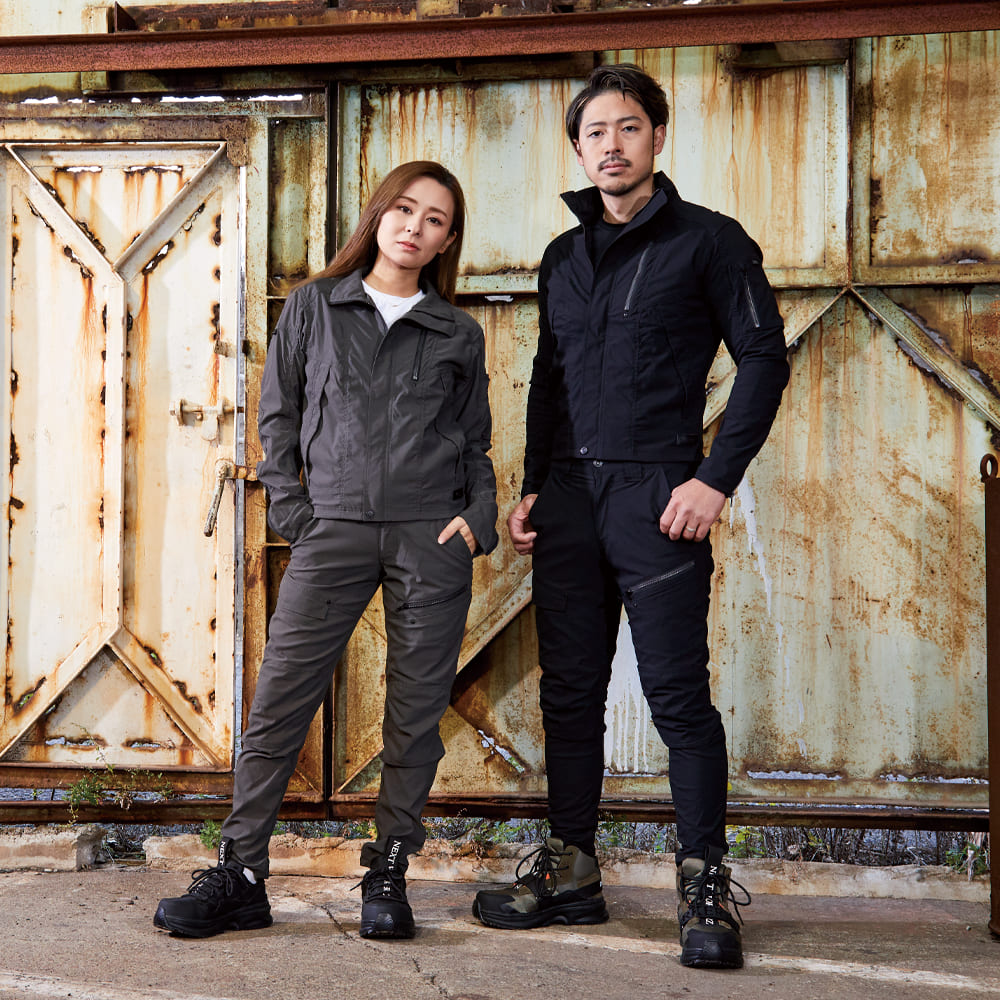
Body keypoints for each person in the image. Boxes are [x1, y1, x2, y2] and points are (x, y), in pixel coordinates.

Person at [472, 64, 788, 970]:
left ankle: (703, 883)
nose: (611, 145)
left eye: (628, 128)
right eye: (595, 132)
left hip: (658, 495)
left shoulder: (711, 241)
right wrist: (533, 486)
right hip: (570, 500)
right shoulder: (562, 257)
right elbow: (549, 379)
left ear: (657, 137)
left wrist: (713, 480)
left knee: (677, 697)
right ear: (579, 150)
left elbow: (764, 359)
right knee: (569, 693)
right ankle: (572, 869)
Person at [155, 161, 498, 941]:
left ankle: (388, 873)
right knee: (280, 703)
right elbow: (276, 419)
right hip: (332, 529)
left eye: (435, 219)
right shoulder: (317, 305)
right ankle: (241, 873)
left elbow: (475, 442)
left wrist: (478, 517)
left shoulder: (457, 332)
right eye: (404, 209)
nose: (415, 227)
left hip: (430, 538)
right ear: (378, 215)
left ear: (447, 241)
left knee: (414, 717)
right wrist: (297, 512)